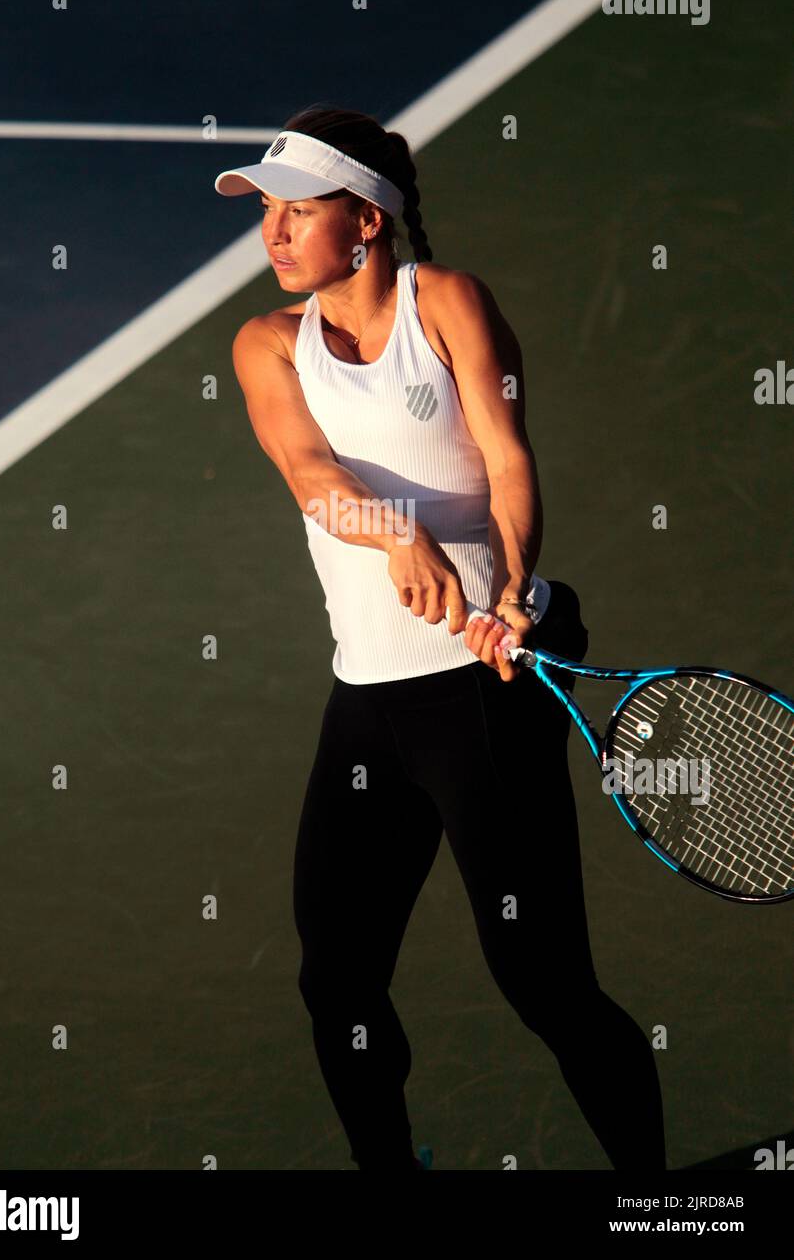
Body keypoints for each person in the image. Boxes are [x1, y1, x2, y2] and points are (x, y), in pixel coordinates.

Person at [219, 103, 666, 1172]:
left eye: (296, 212)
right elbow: (311, 477)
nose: (271, 234)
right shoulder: (263, 344)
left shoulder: (450, 304)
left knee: (544, 984)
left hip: (482, 688)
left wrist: (510, 588)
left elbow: (505, 459)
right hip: (367, 702)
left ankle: (654, 1196)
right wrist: (395, 531)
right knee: (335, 978)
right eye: (265, 214)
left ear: (364, 221)